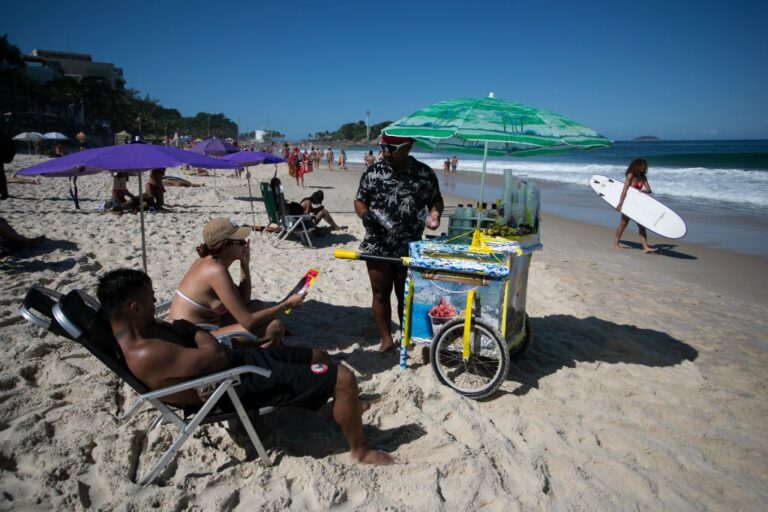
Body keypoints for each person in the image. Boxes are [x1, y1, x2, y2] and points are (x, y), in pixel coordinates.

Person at [97, 268, 394, 465]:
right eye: (150, 299)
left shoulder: (142, 329)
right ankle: (361, 451)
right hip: (234, 385)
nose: (155, 302)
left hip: (236, 366)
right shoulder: (147, 352)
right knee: (343, 377)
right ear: (134, 309)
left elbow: (207, 347)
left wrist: (193, 333)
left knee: (317, 355)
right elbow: (214, 356)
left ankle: (347, 407)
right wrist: (191, 330)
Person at [354, 135, 443, 354]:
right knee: (379, 294)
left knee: (407, 295)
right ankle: (386, 338)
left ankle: (407, 335)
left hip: (409, 245)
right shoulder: (373, 172)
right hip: (377, 245)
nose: (387, 152)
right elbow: (360, 199)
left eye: (392, 148)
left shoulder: (424, 173)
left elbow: (436, 199)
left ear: (408, 146)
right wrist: (364, 215)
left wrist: (434, 214)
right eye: (384, 147)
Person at [169, 217, 305, 345]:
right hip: (193, 338)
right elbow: (248, 322)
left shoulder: (210, 262)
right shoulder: (216, 271)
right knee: (275, 327)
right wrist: (286, 305)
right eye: (240, 241)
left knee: (257, 305)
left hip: (199, 327)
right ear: (225, 246)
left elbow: (244, 302)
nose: (245, 244)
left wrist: (244, 265)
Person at [614, 158, 657, 253]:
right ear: (637, 166)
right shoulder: (630, 176)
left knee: (642, 226)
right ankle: (616, 243)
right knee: (623, 224)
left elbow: (649, 190)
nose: (644, 167)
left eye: (645, 166)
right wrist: (620, 204)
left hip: (638, 204)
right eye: (643, 166)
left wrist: (644, 190)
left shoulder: (643, 177)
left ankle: (645, 247)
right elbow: (624, 190)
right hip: (628, 203)